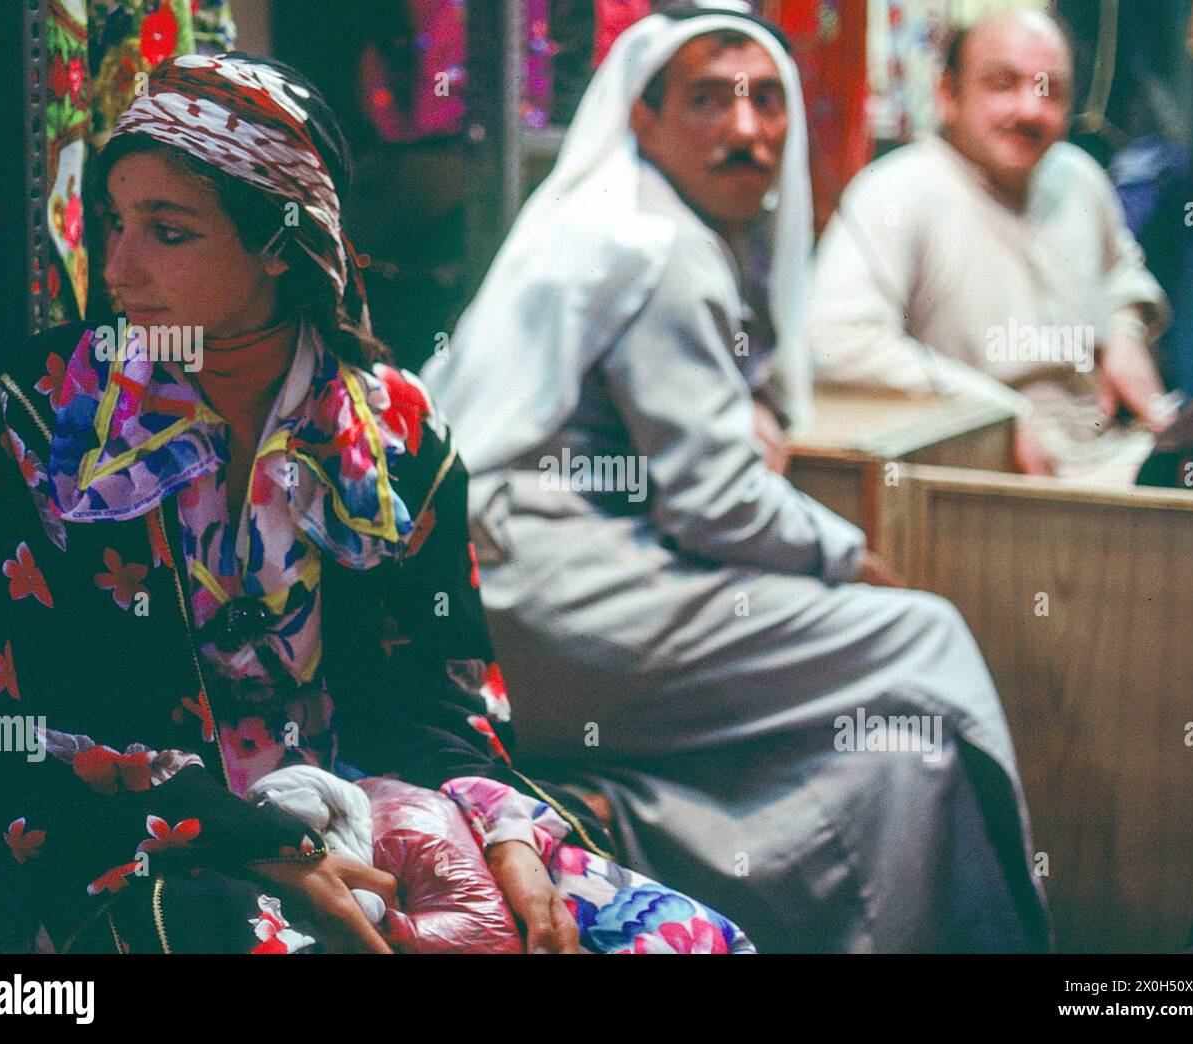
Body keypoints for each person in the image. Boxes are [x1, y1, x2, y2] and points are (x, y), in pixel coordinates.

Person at [0, 52, 753, 955]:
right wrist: (261, 849)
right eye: (113, 222)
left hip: (370, 811)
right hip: (157, 847)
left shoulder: (397, 436)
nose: (119, 266)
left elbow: (435, 705)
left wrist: (508, 843)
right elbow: (32, 727)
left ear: (279, 245)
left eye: (167, 231)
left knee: (678, 939)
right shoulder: (53, 419)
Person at [421, 8, 1051, 953]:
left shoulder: (606, 219)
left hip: (491, 604)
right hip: (552, 605)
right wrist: (849, 557)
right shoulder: (664, 247)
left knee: (893, 749)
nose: (746, 129)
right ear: (645, 120)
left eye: (765, 101)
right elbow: (717, 502)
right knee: (924, 635)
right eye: (709, 100)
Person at [806, 9, 1173, 485]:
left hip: (1109, 451)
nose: (1029, 110)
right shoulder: (899, 190)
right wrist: (996, 414)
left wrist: (1125, 329)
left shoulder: (1077, 176)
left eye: (1050, 90)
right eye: (1003, 83)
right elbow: (835, 341)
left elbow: (1124, 274)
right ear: (948, 93)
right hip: (980, 478)